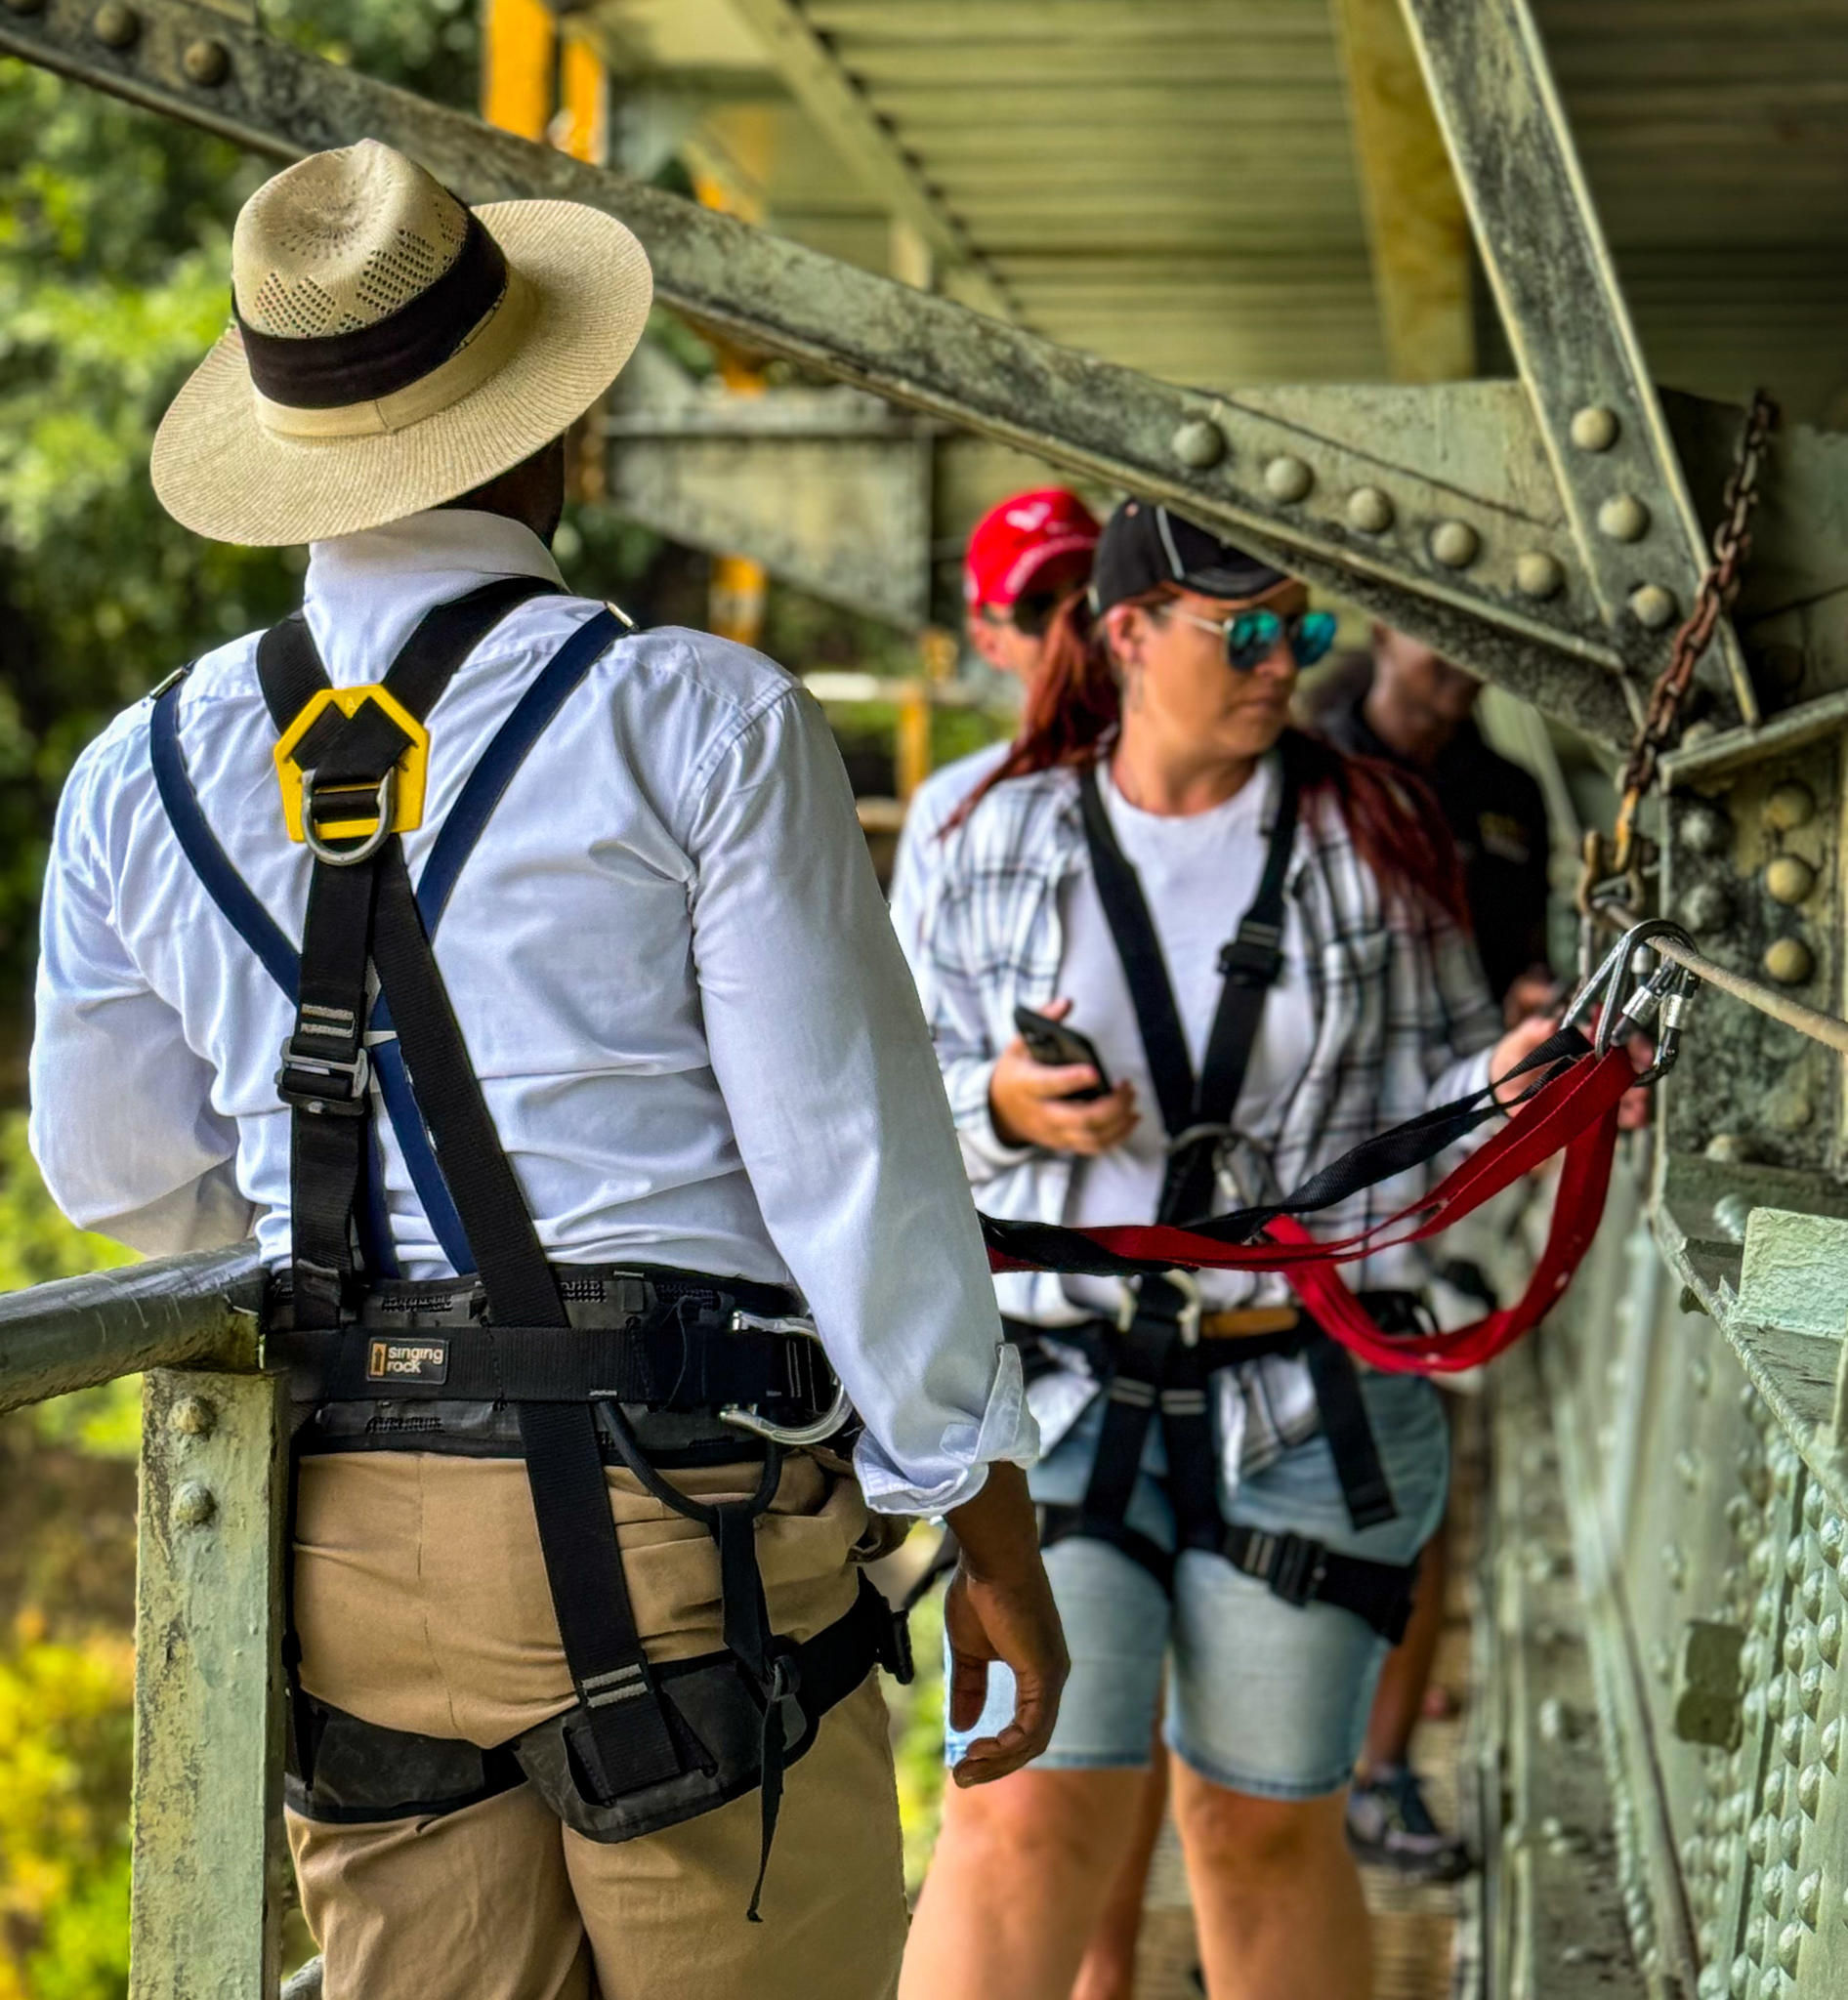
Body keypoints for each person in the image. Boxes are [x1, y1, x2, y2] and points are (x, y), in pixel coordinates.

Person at [27, 141, 1066, 2000]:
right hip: (685, 1529)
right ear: (551, 426)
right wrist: (977, 1508)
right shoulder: (698, 715)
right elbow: (847, 1161)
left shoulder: (140, 774)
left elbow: (120, 1179)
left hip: (340, 1536)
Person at [898, 500, 1557, 2000]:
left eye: (1302, 633)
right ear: (1128, 633)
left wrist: (1515, 1091)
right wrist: (995, 1106)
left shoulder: (1377, 839)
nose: (1282, 665)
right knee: (1019, 1817)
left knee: (1258, 1832)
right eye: (1245, 632)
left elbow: (1431, 1117)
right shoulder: (984, 832)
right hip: (1058, 1407)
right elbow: (871, 1109)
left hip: (1296, 1402)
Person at [1305, 627, 1556, 1881]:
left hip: (1426, 1195)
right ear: (1384, 632)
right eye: (1434, 665)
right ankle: (1277, 1795)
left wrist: (1529, 1021)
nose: (1452, 692)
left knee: (1412, 1492)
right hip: (1277, 1221)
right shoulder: (1298, 765)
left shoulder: (1501, 797)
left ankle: (1379, 1772)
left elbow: (1516, 971)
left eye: (1473, 673)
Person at [888, 486, 1100, 967]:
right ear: (989, 642)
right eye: (1039, 609)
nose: (1073, 627)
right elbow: (920, 1012)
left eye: (1091, 596)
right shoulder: (953, 811)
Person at [1308, 629, 1554, 1021]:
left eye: (1480, 640)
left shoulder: (1511, 791)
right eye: (1443, 635)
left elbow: (1530, 940)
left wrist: (1528, 994)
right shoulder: (1313, 773)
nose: (1467, 660)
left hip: (1484, 1055)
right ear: (1382, 632)